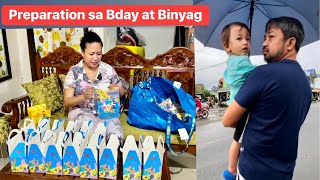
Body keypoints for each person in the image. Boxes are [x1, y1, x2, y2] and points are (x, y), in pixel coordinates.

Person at [222, 16, 312, 180]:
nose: (263, 43)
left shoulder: (262, 74)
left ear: (290, 43)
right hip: (284, 172)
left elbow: (228, 120)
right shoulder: (305, 84)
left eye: (271, 37)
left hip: (253, 172)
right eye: (264, 38)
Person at [63, 31, 128, 141]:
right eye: (91, 54)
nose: (95, 58)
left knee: (116, 136)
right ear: (83, 53)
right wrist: (83, 96)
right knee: (89, 134)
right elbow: (67, 102)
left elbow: (123, 93)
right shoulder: (74, 71)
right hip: (82, 112)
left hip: (106, 111)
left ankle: (113, 156)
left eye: (99, 54)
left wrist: (117, 90)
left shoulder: (108, 70)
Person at [220, 22, 256, 180]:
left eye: (248, 39)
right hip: (242, 106)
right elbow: (257, 74)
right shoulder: (239, 61)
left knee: (240, 137)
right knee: (238, 139)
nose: (245, 42)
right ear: (227, 46)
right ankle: (231, 170)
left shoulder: (233, 61)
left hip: (237, 102)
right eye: (239, 38)